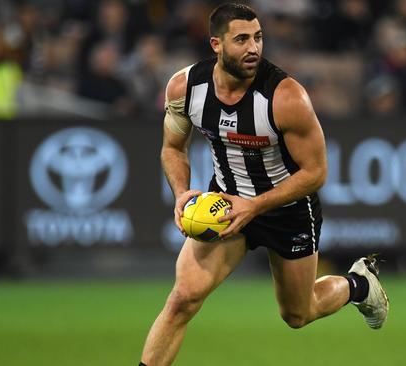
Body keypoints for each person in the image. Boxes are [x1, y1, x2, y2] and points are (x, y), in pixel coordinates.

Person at [139, 4, 389, 365]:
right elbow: (172, 148)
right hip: (226, 203)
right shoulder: (185, 87)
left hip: (287, 211)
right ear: (216, 44)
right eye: (241, 39)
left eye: (258, 38)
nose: (253, 47)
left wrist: (255, 206)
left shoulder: (287, 97)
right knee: (182, 300)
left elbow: (316, 173)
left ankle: (358, 284)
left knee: (298, 315)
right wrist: (181, 193)